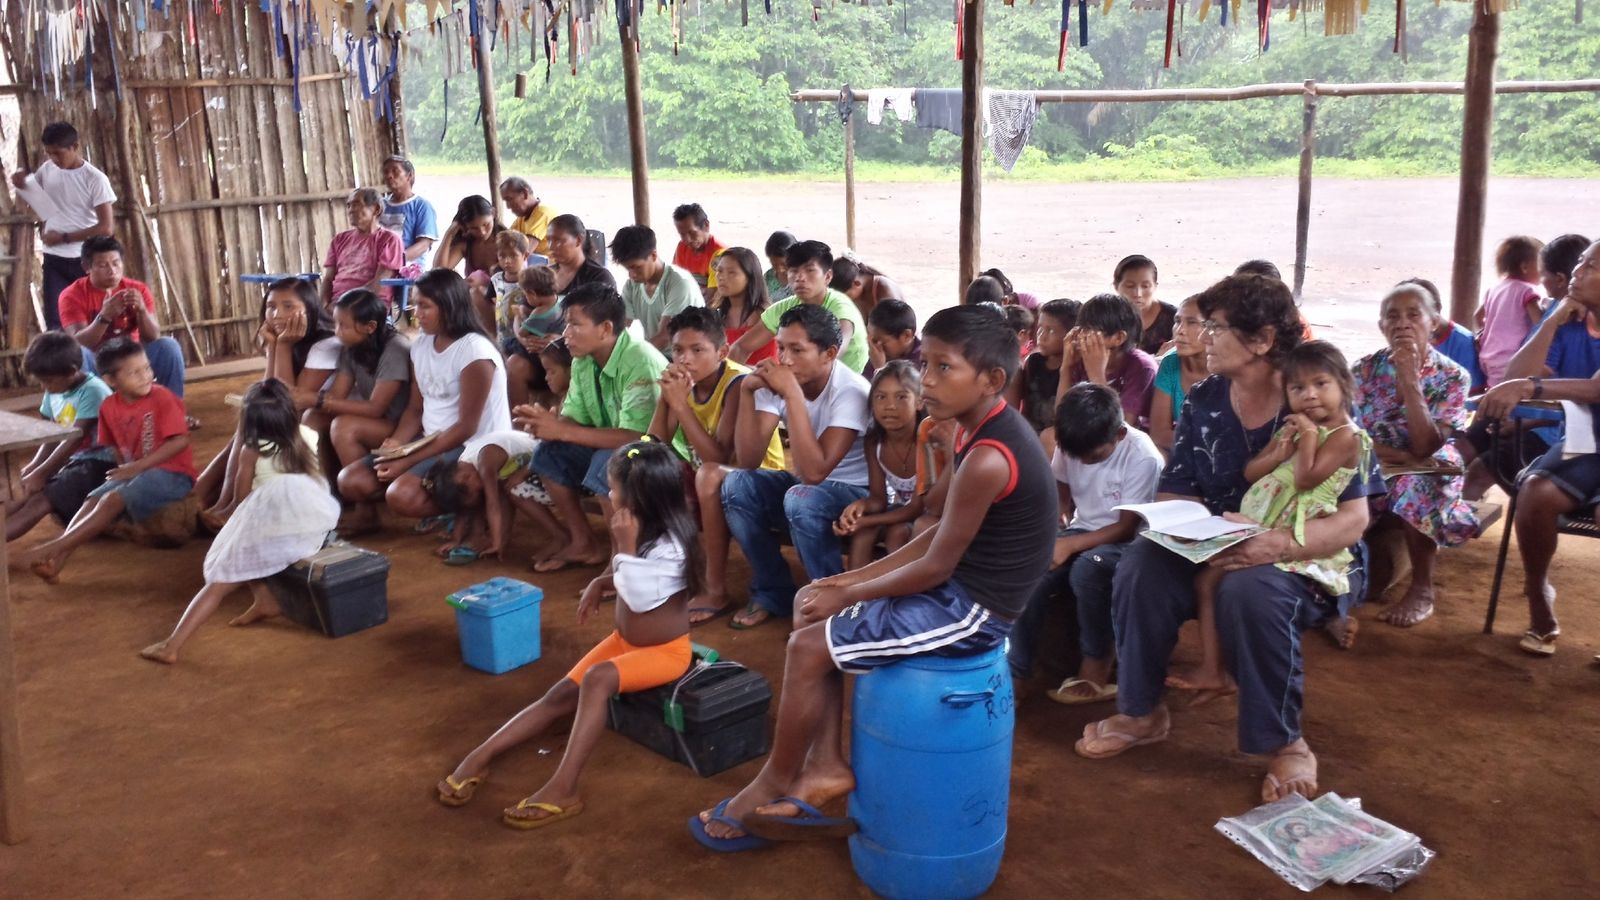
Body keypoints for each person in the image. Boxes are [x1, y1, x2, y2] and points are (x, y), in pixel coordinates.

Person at [690, 304, 1056, 851]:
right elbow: (936, 535)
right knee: (813, 603)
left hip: (975, 612)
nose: (926, 381)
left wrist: (851, 587)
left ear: (992, 380)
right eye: (924, 364)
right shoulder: (971, 429)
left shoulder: (989, 456)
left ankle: (777, 778)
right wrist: (844, 583)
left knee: (808, 645)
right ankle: (826, 762)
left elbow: (936, 563)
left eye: (942, 369)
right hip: (955, 587)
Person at [1075, 274, 1384, 805]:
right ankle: (1141, 710)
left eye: (1216, 328)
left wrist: (1279, 543)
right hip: (1221, 539)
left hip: (1306, 550)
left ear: (1262, 340)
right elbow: (1181, 486)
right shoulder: (1207, 397)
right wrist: (1195, 528)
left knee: (1252, 589)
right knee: (1142, 564)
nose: (1202, 337)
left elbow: (1354, 519)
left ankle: (1283, 741)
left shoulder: (1313, 396)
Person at [436, 441, 701, 830]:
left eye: (613, 489)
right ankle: (480, 756)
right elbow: (633, 577)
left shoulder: (673, 543)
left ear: (638, 496)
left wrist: (623, 549)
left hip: (665, 652)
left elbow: (643, 597)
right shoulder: (642, 528)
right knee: (558, 696)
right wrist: (601, 579)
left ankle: (564, 788)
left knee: (597, 680)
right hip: (627, 643)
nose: (609, 495)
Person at [1170, 342, 1371, 695]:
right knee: (1205, 583)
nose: (1309, 396)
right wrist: (1281, 448)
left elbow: (1306, 479)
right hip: (1260, 519)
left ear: (1344, 384)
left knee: (1248, 591)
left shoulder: (1346, 436)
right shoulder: (1296, 427)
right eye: (1297, 389)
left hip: (1290, 530)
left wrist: (1307, 438)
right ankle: (1213, 668)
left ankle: (1266, 670)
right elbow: (1251, 471)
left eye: (1320, 384)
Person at [138, 380, 340, 665]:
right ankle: (266, 601)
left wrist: (223, 519)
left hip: (276, 523)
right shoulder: (307, 435)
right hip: (313, 522)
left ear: (247, 422)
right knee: (250, 549)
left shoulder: (251, 449)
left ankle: (172, 645)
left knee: (220, 576)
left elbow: (242, 500)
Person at [1007, 383, 1162, 705]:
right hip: (1083, 532)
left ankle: (1097, 660)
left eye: (1092, 457)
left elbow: (1126, 528)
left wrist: (1070, 545)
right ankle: (1017, 671)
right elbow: (1059, 494)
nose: (1083, 463)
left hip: (1132, 542)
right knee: (1029, 569)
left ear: (1119, 435)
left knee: (1088, 571)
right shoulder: (1073, 441)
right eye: (1075, 455)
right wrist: (1049, 535)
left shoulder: (1141, 455)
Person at [720, 305, 871, 629]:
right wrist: (748, 393)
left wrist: (791, 396)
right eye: (781, 347)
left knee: (801, 497)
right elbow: (747, 460)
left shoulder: (851, 391)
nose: (785, 359)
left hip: (856, 493)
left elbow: (815, 472)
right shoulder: (781, 383)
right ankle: (773, 591)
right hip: (809, 488)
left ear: (829, 353)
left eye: (797, 350)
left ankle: (829, 604)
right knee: (736, 485)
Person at [336, 269, 511, 523]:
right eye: (415, 304)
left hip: (473, 445)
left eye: (424, 306)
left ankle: (468, 506)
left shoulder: (475, 351)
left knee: (402, 495)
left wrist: (409, 459)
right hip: (430, 439)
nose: (416, 313)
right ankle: (442, 495)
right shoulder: (421, 344)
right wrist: (397, 445)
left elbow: (466, 427)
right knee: (351, 481)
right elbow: (415, 410)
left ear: (449, 307)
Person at [645, 308, 785, 624]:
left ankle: (715, 587)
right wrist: (667, 398)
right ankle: (656, 571)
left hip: (755, 478)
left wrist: (680, 404)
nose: (685, 359)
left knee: (707, 475)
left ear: (721, 352)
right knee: (641, 466)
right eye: (678, 350)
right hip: (712, 476)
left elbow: (718, 458)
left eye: (697, 350)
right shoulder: (682, 381)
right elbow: (656, 442)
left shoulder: (737, 383)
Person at [19, 339, 197, 584]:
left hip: (173, 473)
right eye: (134, 372)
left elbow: (180, 442)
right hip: (137, 472)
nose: (145, 376)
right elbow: (114, 446)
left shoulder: (162, 397)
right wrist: (127, 469)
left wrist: (137, 468)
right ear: (111, 380)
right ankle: (56, 563)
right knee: (92, 500)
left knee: (111, 499)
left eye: (147, 368)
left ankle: (51, 548)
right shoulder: (109, 407)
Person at [1352, 284, 1477, 628]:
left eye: (1413, 315)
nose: (1403, 323)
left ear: (1433, 322)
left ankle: (1422, 588)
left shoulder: (1453, 376)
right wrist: (1392, 454)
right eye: (1393, 316)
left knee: (1416, 482)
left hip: (1423, 467)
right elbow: (1348, 434)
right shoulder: (1361, 371)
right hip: (1371, 459)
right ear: (1381, 326)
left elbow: (1425, 448)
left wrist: (1410, 380)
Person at [520, 283, 668, 572]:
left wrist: (562, 430)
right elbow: (576, 419)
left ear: (605, 328)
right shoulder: (583, 361)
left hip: (656, 455)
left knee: (609, 462)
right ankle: (583, 542)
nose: (566, 334)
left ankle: (622, 557)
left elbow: (641, 438)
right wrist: (549, 425)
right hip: (616, 446)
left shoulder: (639, 360)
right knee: (550, 453)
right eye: (566, 325)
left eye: (575, 325)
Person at [1476, 328, 1600, 656]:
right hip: (1590, 444)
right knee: (1534, 494)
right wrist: (1557, 315)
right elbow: (1514, 375)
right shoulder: (1565, 324)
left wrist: (1527, 386)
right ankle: (1538, 596)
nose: (1580, 273)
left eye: (1590, 270)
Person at [194, 278, 339, 522]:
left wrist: (281, 346)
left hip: (322, 417)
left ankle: (228, 505)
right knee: (250, 416)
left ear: (310, 309)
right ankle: (215, 500)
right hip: (299, 413)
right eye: (271, 307)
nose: (277, 314)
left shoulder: (326, 344)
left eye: (288, 306)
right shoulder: (287, 339)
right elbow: (267, 392)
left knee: (257, 422)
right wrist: (273, 348)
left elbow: (286, 402)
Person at [308, 289, 412, 535]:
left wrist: (316, 398)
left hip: (403, 428)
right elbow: (337, 396)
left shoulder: (395, 347)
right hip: (381, 422)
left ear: (370, 326)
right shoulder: (352, 347)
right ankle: (332, 494)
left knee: (343, 426)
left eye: (343, 325)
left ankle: (366, 510)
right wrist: (316, 402)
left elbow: (376, 408)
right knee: (312, 418)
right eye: (336, 324)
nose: (336, 332)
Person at [5, 332, 113, 543]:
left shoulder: (93, 391)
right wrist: (35, 466)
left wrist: (43, 473)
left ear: (72, 372)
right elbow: (51, 433)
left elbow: (72, 440)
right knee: (21, 488)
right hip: (73, 461)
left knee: (42, 498)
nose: (44, 387)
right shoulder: (54, 389)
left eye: (47, 381)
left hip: (101, 464)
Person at [9, 121, 115, 330]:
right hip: (54, 259)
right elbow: (44, 206)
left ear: (74, 147)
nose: (53, 159)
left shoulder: (95, 179)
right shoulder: (48, 169)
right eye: (49, 153)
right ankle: (61, 363)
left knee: (93, 319)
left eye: (58, 153)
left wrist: (64, 237)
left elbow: (106, 228)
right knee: (56, 321)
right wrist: (23, 184)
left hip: (85, 260)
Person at [57, 235, 187, 400]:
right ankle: (92, 417)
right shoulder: (71, 295)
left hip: (132, 357)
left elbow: (153, 336)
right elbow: (78, 343)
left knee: (168, 346)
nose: (112, 270)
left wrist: (141, 311)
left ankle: (173, 407)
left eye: (116, 263)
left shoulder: (137, 289)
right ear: (86, 267)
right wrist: (104, 316)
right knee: (79, 354)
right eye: (103, 265)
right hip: (97, 362)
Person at [834, 361, 927, 571]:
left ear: (920, 401)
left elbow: (916, 508)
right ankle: (855, 597)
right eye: (880, 397)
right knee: (864, 531)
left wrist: (867, 521)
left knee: (896, 533)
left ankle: (898, 597)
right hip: (903, 511)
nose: (890, 405)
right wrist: (861, 506)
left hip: (931, 516)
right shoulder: (874, 442)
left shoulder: (927, 440)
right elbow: (878, 498)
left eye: (901, 396)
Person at [729, 240, 867, 375]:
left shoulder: (840, 307)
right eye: (794, 271)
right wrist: (731, 379)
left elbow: (834, 353)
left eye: (810, 271)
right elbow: (740, 348)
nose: (800, 277)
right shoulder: (782, 308)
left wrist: (778, 374)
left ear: (828, 276)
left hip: (847, 381)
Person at [1064, 294, 1158, 430]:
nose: (1082, 337)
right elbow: (1062, 415)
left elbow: (1120, 428)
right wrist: (1066, 367)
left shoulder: (1142, 367)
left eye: (1091, 331)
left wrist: (1096, 374)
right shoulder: (1081, 359)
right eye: (1081, 329)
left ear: (1119, 338)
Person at [612, 225, 703, 349]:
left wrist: (632, 359)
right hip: (656, 356)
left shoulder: (679, 283)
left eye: (637, 267)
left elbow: (664, 337)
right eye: (627, 268)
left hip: (686, 358)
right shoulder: (631, 286)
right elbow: (619, 329)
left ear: (653, 255)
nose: (631, 274)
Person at [1476, 234, 1545, 385]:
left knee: (1496, 391)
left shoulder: (1495, 288)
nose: (1544, 272)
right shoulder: (1528, 291)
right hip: (1512, 359)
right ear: (1525, 267)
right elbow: (1540, 324)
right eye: (1542, 266)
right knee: (1510, 396)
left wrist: (1490, 331)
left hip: (1488, 356)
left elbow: (1477, 316)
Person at [321, 188, 405, 310]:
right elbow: (328, 278)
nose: (350, 210)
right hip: (337, 305)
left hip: (369, 304)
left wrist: (343, 305)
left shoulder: (390, 240)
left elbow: (379, 284)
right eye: (348, 206)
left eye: (356, 204)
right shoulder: (339, 240)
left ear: (376, 209)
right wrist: (321, 308)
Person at [1007, 298, 1080, 436]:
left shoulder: (1076, 369)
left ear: (1071, 336)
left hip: (1056, 438)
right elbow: (1023, 406)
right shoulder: (1033, 361)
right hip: (1029, 433)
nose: (1041, 336)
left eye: (1051, 331)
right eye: (1040, 328)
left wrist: (1066, 368)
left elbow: (1063, 419)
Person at [1402, 276, 1485, 393]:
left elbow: (1472, 394)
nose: (1403, 323)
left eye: (1413, 314)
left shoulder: (1463, 342)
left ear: (1437, 310)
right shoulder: (1410, 337)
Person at [1150, 295, 1207, 453]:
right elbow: (1159, 434)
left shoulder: (1227, 369)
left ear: (1213, 328)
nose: (1180, 331)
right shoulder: (1170, 363)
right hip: (1186, 452)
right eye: (1177, 321)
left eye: (1192, 322)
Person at [505, 265, 564, 409]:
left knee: (507, 343)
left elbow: (521, 334)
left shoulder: (540, 313)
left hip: (540, 349)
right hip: (554, 343)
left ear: (532, 293)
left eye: (526, 294)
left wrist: (518, 317)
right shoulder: (561, 300)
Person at [713, 247, 774, 365]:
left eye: (731, 272)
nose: (722, 277)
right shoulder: (717, 316)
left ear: (750, 277)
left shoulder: (766, 318)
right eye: (719, 271)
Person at [378, 155, 439, 266]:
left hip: (408, 269)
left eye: (395, 171)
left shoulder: (422, 206)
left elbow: (423, 245)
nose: (389, 176)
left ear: (409, 176)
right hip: (380, 265)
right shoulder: (380, 205)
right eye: (386, 172)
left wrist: (396, 260)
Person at [1113, 254, 1175, 356]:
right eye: (1130, 286)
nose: (1138, 294)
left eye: (1145, 286)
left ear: (1155, 286)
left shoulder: (1173, 318)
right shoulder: (1105, 317)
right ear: (1116, 286)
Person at [433, 196, 507, 276]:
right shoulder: (465, 244)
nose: (482, 232)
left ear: (493, 213)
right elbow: (438, 273)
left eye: (486, 224)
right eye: (474, 228)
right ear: (465, 227)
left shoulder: (508, 241)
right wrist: (449, 234)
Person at [547, 213, 616, 297]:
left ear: (579, 240)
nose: (550, 247)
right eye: (548, 240)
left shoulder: (599, 278)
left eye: (558, 240)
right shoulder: (545, 274)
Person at [672, 203, 726, 300]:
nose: (687, 239)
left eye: (692, 233)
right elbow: (674, 281)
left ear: (706, 225)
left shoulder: (719, 253)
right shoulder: (682, 247)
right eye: (682, 234)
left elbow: (712, 297)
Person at [830, 256, 904, 322]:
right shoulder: (857, 294)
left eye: (845, 295)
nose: (843, 299)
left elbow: (896, 327)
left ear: (856, 284)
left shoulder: (885, 289)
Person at [501, 176, 558, 256]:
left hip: (551, 266)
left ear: (525, 194)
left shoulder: (542, 212)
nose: (508, 206)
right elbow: (506, 239)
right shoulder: (523, 216)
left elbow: (525, 251)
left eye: (509, 199)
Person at [865, 299, 922, 376]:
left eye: (882, 341)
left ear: (906, 336)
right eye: (872, 340)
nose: (873, 347)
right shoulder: (880, 352)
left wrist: (880, 368)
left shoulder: (923, 363)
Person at [764, 230, 797, 301]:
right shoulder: (768, 277)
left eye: (784, 264)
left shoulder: (804, 278)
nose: (780, 270)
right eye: (774, 264)